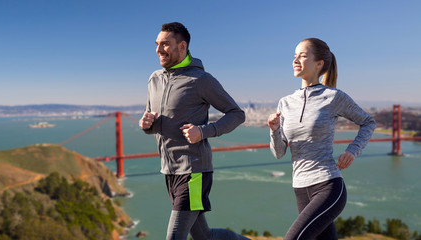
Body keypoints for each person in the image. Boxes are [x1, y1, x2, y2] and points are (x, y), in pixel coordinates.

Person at [139, 22, 249, 240]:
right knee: (204, 237)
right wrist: (147, 124)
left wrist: (204, 131)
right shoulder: (154, 79)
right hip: (169, 172)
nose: (159, 49)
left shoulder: (201, 80)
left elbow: (237, 114)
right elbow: (153, 121)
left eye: (165, 44)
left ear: (182, 47)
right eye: (157, 44)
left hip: (194, 172)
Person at [267, 38, 376, 239]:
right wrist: (274, 130)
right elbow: (279, 152)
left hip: (328, 185)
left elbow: (368, 122)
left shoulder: (333, 97)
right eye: (294, 56)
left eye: (302, 55)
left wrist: (352, 150)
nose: (295, 60)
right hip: (300, 188)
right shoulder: (285, 103)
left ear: (319, 64)